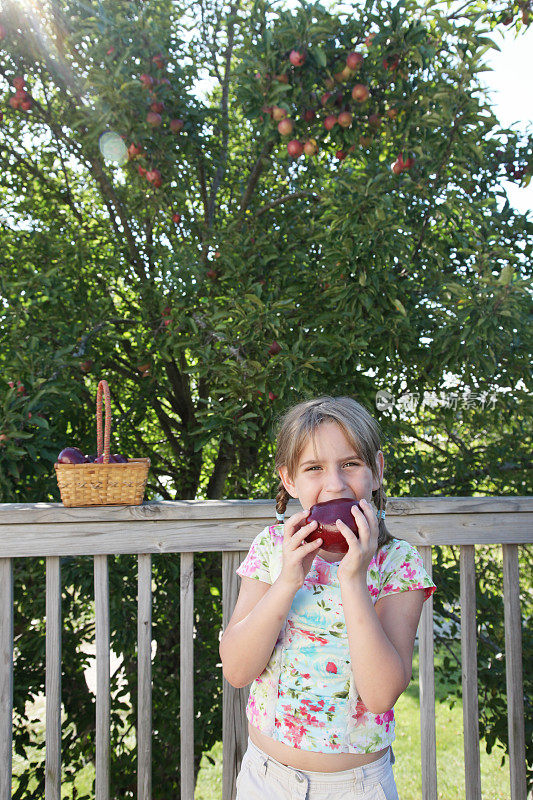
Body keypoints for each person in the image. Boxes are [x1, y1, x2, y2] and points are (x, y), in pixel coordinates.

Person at [219, 396, 437, 799]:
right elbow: (236, 670)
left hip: (356, 786)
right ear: (289, 480)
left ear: (377, 471)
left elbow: (379, 695)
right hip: (264, 778)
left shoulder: (396, 564)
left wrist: (353, 579)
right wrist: (287, 581)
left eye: (350, 464)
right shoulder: (271, 550)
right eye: (314, 468)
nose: (335, 483)